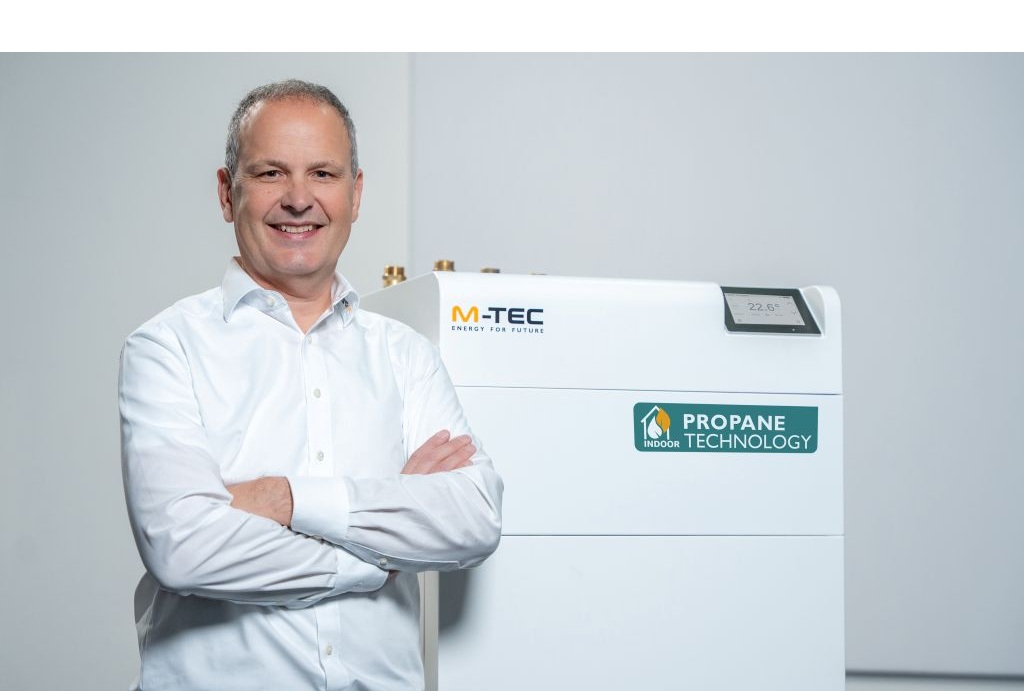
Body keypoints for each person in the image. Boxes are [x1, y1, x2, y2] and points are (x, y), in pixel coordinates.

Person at [119, 79, 503, 691]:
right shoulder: (167, 348)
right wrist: (378, 554)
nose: (299, 200)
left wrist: (283, 499)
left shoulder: (407, 355)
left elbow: (472, 518)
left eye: (323, 174)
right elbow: (182, 549)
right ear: (227, 193)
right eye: (270, 173)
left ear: (355, 193)